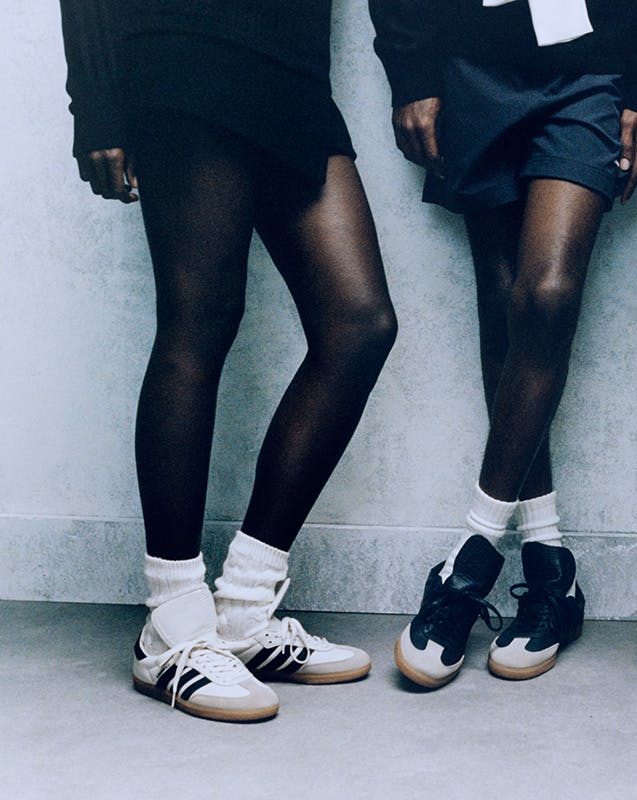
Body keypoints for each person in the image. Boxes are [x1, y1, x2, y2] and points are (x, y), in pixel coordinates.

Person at [60, 0, 398, 721]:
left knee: (359, 324)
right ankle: (172, 621)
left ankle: (243, 608)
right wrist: (95, 105)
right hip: (183, 47)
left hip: (292, 70)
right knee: (201, 321)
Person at [370, 0, 637, 687]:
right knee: (504, 306)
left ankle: (472, 555)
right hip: (472, 60)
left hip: (595, 65)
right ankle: (550, 567)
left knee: (546, 296)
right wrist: (411, 70)